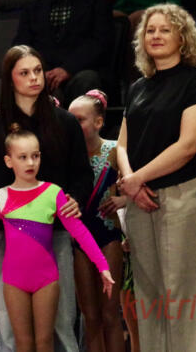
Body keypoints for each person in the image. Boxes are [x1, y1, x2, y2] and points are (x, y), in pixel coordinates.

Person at [0, 45, 94, 352]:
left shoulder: (65, 123)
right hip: (8, 237)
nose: (34, 78)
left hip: (56, 234)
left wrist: (75, 199)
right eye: (24, 73)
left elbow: (82, 175)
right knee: (10, 328)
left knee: (61, 323)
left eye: (37, 70)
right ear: (10, 79)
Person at [0, 125, 113, 352]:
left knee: (45, 342)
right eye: (23, 157)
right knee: (23, 344)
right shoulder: (0, 197)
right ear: (9, 161)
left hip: (46, 279)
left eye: (35, 156)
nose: (30, 163)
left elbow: (79, 231)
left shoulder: (53, 193)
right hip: (14, 281)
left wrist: (102, 265)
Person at [117, 3, 196, 351]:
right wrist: (131, 182)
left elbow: (188, 146)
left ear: (182, 37)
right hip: (140, 199)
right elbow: (122, 145)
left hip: (183, 194)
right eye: (150, 30)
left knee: (184, 294)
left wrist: (136, 179)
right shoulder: (138, 87)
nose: (155, 35)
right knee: (149, 295)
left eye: (165, 29)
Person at [13, 0, 114, 107]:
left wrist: (67, 69)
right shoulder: (33, 9)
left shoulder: (98, 5)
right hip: (43, 75)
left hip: (79, 72)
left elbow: (100, 44)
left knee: (88, 79)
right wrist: (39, 71)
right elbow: (21, 46)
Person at [68, 90, 125, 352]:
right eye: (70, 120)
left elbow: (136, 183)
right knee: (90, 317)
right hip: (79, 239)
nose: (73, 125)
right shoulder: (67, 155)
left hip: (108, 235)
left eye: (79, 120)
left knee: (110, 314)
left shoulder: (114, 150)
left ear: (98, 122)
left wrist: (123, 200)